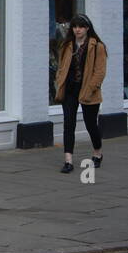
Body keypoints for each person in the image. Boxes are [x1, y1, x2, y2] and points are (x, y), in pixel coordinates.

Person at [53, 13, 107, 174]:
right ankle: (68, 160)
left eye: (81, 27)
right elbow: (62, 66)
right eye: (75, 27)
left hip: (89, 91)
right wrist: (59, 79)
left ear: (87, 28)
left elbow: (100, 72)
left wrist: (90, 89)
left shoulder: (97, 46)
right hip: (69, 90)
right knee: (68, 124)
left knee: (91, 124)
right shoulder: (67, 45)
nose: (78, 30)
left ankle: (97, 153)